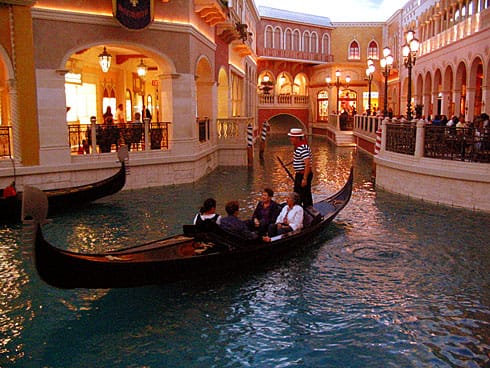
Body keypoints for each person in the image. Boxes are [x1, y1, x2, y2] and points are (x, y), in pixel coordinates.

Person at [288, 128, 313, 208]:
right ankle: (302, 208)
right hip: (300, 174)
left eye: (292, 137)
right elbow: (299, 158)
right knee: (300, 194)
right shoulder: (300, 147)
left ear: (297, 138)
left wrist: (304, 179)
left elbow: (307, 163)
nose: (290, 139)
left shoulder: (302, 148)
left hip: (303, 175)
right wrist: (289, 163)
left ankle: (305, 209)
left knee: (302, 195)